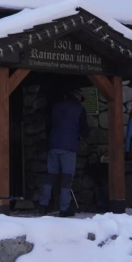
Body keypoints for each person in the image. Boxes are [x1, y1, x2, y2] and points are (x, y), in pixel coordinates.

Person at [38, 89, 89, 217]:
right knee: (66, 179)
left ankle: (43, 205)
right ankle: (64, 208)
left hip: (53, 145)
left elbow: (48, 126)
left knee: (50, 176)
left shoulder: (55, 107)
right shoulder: (79, 109)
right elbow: (85, 131)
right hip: (69, 148)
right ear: (78, 97)